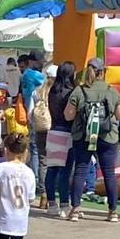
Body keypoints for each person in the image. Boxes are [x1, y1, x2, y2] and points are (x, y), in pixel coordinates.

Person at [64, 62, 120, 223]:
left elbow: (68, 115)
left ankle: (75, 209)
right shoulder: (111, 91)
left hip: (83, 136)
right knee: (108, 173)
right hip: (107, 137)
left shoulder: (79, 90)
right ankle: (113, 212)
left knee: (80, 170)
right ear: (102, 72)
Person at [41, 61, 74, 213]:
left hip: (53, 131)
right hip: (67, 132)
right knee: (65, 171)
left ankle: (51, 203)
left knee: (52, 169)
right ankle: (65, 204)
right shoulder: (71, 91)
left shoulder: (52, 90)